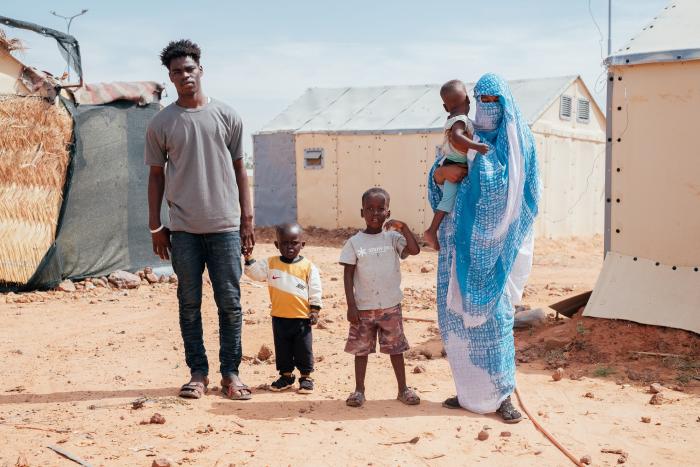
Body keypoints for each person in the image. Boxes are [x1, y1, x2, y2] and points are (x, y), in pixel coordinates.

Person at [145, 39, 255, 400]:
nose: (184, 76)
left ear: (200, 71)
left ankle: (231, 374)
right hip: (185, 231)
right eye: (177, 72)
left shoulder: (227, 116)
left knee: (230, 303)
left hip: (224, 227)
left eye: (189, 69)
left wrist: (247, 221)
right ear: (170, 77)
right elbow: (156, 176)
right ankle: (197, 374)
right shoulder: (162, 123)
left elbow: (241, 170)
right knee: (189, 303)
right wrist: (157, 227)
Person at [428, 73, 540, 423]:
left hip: (495, 254)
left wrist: (478, 165)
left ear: (504, 104)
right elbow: (441, 173)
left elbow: (518, 193)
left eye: (494, 102)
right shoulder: (466, 133)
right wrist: (440, 175)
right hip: (455, 248)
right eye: (482, 100)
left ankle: (503, 395)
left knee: (496, 324)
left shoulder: (518, 144)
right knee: (455, 323)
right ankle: (468, 393)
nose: (487, 107)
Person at [339, 187, 421, 408]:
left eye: (380, 209)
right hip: (363, 308)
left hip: (390, 307)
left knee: (396, 350)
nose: (375, 214)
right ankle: (359, 390)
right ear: (362, 212)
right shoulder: (355, 242)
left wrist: (403, 227)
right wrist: (351, 305)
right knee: (361, 351)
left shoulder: (393, 238)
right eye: (369, 209)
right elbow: (347, 275)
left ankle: (403, 389)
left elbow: (414, 250)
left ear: (388, 212)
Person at [243, 223, 322, 394]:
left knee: (303, 349)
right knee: (283, 350)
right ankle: (286, 376)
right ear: (277, 245)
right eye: (284, 243)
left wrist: (314, 310)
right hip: (279, 317)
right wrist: (248, 259)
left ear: (302, 245)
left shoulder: (308, 266)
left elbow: (315, 288)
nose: (289, 247)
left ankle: (306, 377)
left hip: (302, 318)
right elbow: (255, 273)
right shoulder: (271, 263)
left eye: (294, 243)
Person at [423, 80, 489, 251]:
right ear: (468, 100)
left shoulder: (452, 118)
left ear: (446, 107)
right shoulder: (460, 120)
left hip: (453, 162)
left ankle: (432, 230)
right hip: (454, 163)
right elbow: (458, 136)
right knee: (448, 200)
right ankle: (431, 231)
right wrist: (477, 147)